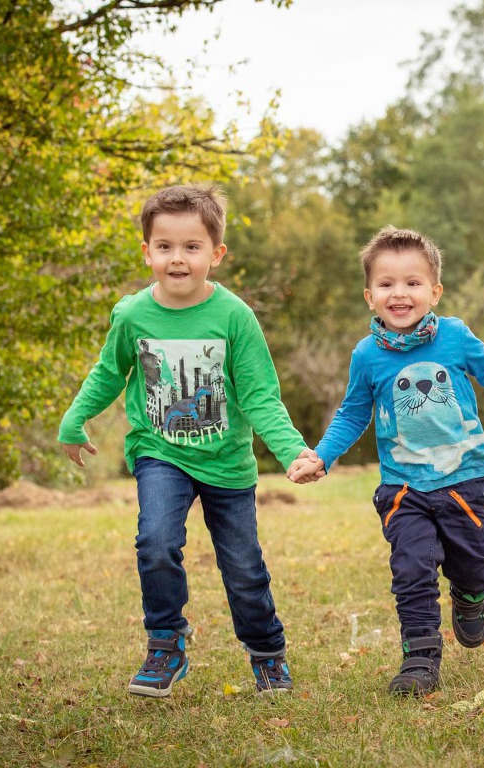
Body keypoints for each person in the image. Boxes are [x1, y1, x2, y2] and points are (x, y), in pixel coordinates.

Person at [288, 226, 484, 696]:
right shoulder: (367, 355)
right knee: (411, 569)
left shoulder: (455, 336)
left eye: (412, 283)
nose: (399, 293)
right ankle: (420, 659)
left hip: (462, 480)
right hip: (403, 487)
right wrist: (322, 456)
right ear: (369, 296)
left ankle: (470, 593)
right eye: (386, 284)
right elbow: (352, 413)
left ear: (434, 291)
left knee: (475, 563)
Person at [59, 183, 319, 698]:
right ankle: (165, 644)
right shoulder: (132, 315)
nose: (178, 259)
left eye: (192, 247)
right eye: (165, 246)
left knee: (243, 567)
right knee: (156, 542)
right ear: (147, 251)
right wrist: (75, 417)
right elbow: (109, 373)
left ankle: (267, 652)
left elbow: (261, 396)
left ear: (216, 254)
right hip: (160, 453)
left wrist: (292, 449)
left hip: (226, 462)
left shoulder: (234, 317)